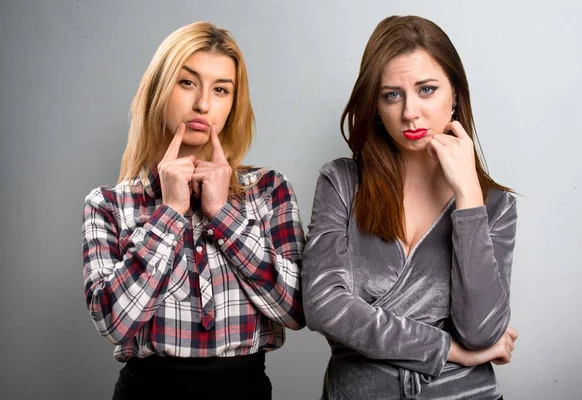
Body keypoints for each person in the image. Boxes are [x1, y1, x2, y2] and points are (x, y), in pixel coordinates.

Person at [81, 21, 305, 400]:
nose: (203, 103)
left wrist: (221, 213)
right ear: (159, 89)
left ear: (234, 104)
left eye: (221, 90)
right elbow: (114, 323)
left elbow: (297, 308)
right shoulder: (108, 204)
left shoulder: (269, 190)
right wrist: (168, 212)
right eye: (187, 83)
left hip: (245, 390)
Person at [301, 15, 518, 400]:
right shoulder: (342, 182)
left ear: (455, 95)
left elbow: (481, 331)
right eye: (392, 95)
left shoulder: (495, 205)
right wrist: (450, 351)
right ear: (376, 105)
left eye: (427, 90)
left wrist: (468, 198)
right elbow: (325, 307)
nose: (410, 113)